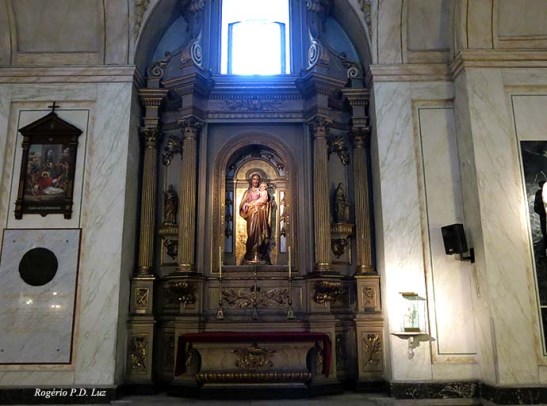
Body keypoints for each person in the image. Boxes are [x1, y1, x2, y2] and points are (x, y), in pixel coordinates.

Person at [239, 174, 271, 264]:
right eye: (254, 179)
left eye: (257, 179)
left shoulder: (263, 191)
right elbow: (242, 204)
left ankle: (259, 253)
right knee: (251, 233)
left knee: (260, 232)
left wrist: (267, 204)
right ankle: (251, 253)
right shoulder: (248, 192)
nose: (255, 181)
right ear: (251, 180)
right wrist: (245, 206)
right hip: (251, 216)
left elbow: (267, 202)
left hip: (261, 215)